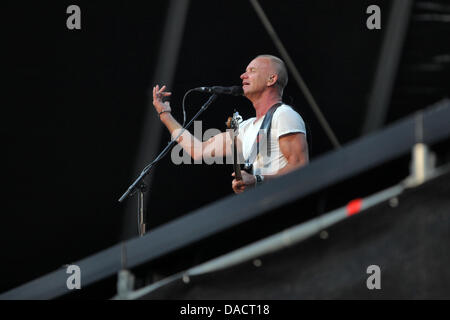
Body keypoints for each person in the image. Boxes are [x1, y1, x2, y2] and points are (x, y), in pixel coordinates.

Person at [152, 54, 309, 194]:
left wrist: (257, 180)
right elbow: (199, 150)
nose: (243, 76)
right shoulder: (246, 128)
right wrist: (165, 115)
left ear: (271, 79)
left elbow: (300, 167)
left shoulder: (284, 115)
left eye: (252, 71)